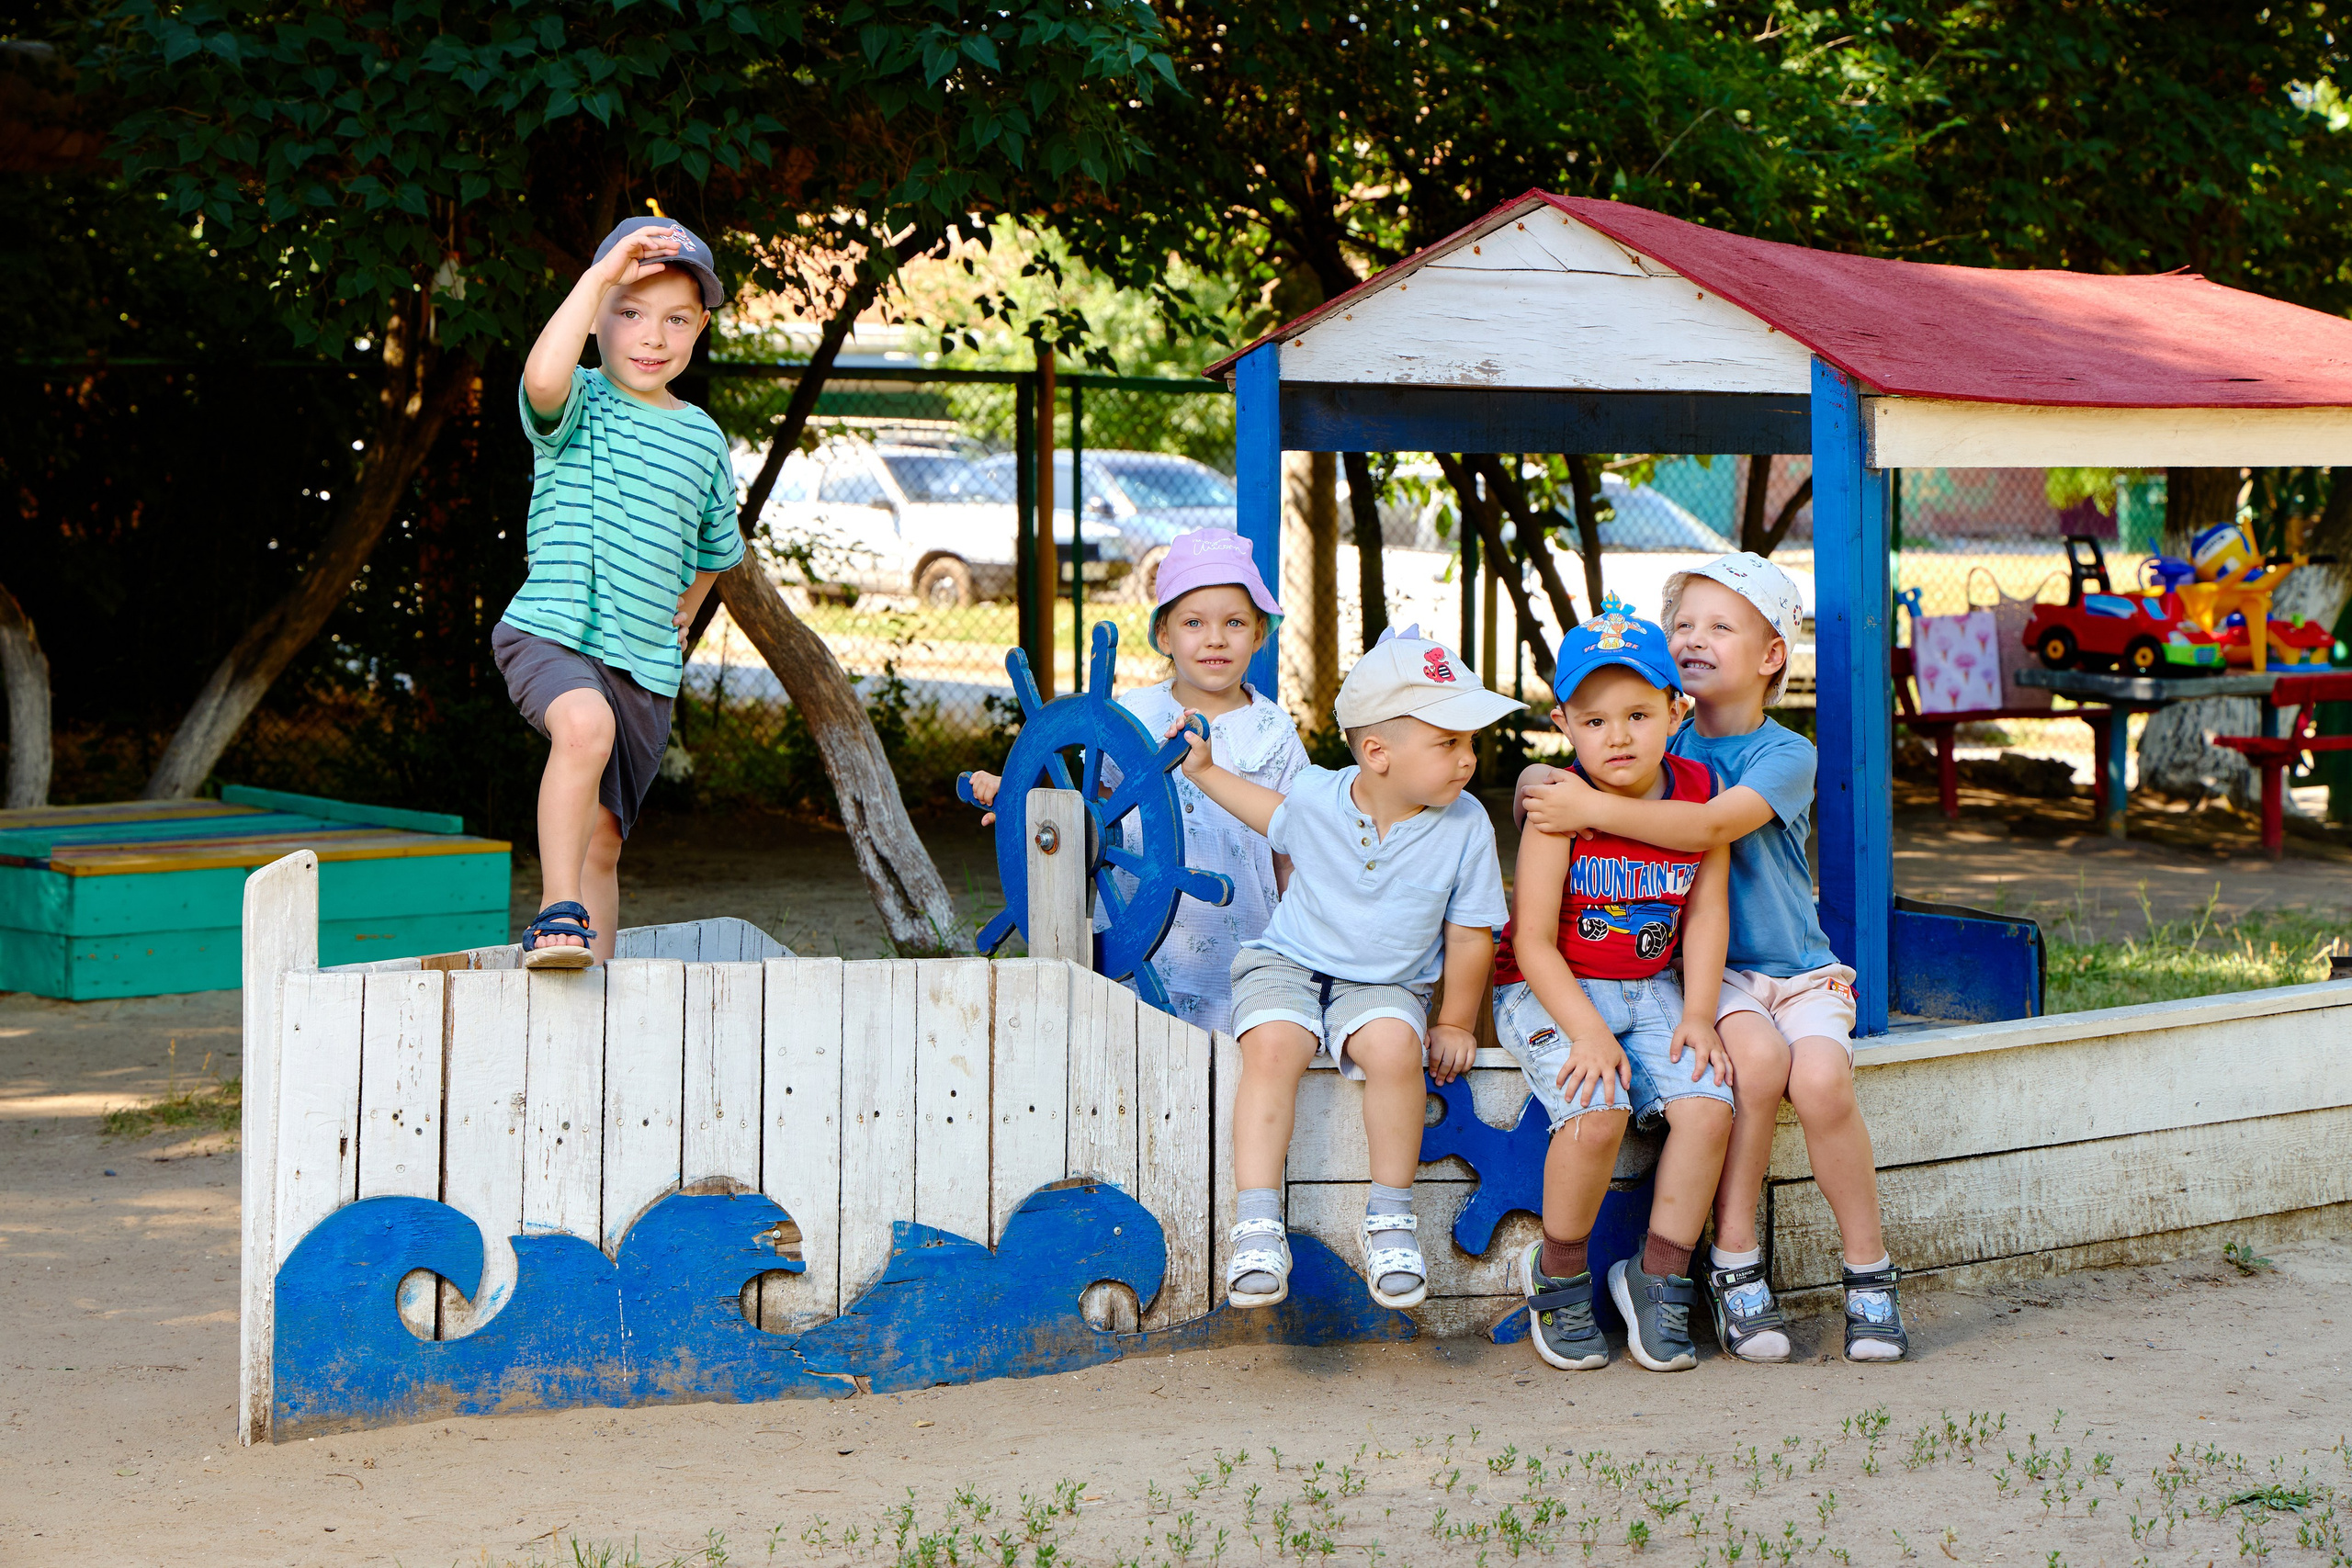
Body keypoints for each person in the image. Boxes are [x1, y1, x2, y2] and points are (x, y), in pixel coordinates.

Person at [1517, 554, 1908, 1362]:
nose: (1694, 639)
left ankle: (1869, 1271)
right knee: (1751, 1069)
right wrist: (1543, 776)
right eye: (1684, 625)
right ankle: (1734, 1266)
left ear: (1771, 656)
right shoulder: (1655, 740)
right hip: (1711, 975)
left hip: (1788, 966)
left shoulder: (1780, 755)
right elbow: (1596, 732)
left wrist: (1580, 800)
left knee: (1820, 1078)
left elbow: (1703, 832)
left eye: (1719, 626)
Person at [1176, 627, 1520, 1310]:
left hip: (1385, 980)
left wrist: (1453, 1018)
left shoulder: (1466, 825)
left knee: (1396, 1048)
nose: (1468, 760)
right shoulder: (1317, 795)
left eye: (1470, 743)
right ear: (1377, 753)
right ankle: (1257, 1221)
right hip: (1290, 960)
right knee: (1274, 1046)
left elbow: (1472, 933)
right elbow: (1269, 813)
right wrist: (1206, 771)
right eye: (1450, 742)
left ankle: (1390, 1219)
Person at [492, 217, 744, 968]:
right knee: (582, 727)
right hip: (553, 631)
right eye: (629, 312)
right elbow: (540, 379)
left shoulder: (702, 438)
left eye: (674, 320)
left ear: (699, 328)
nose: (651, 337)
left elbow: (717, 547)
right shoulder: (579, 403)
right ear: (597, 317)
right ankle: (552, 912)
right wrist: (598, 274)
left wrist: (689, 611)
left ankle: (585, 978)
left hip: (643, 666)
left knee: (603, 843)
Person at [1492, 597, 1733, 1373]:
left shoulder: (1700, 792)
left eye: (1637, 713)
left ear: (1676, 709)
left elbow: (1704, 911)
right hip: (1551, 985)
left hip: (1650, 985)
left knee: (1707, 1102)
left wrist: (1700, 1012)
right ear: (1564, 723)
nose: (1618, 736)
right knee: (1596, 1114)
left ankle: (1657, 1273)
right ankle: (1558, 1272)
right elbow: (1530, 939)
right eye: (1595, 721)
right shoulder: (1558, 806)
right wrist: (1589, 1032)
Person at [967, 529, 1306, 1034]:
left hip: (1240, 947)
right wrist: (1024, 802)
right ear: (1164, 635)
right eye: (1194, 623)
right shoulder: (1133, 714)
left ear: (1260, 634)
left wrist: (1305, 942)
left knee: (1230, 1073)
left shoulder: (1273, 730)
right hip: (1137, 938)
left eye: (1235, 622)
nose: (1215, 638)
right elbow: (1087, 805)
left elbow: (1293, 844)